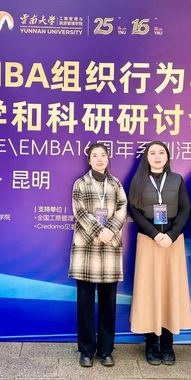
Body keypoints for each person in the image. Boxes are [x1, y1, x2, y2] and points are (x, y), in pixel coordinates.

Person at [128, 141, 191, 365]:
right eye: (152, 153)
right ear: (146, 157)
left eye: (161, 152)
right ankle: (151, 344)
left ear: (167, 156)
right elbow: (135, 211)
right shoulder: (138, 181)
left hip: (173, 242)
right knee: (150, 290)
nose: (157, 156)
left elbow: (185, 209)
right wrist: (155, 234)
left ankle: (167, 344)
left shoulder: (177, 180)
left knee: (170, 290)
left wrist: (171, 235)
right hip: (149, 241)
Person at [69, 142, 127, 367]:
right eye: (95, 155)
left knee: (108, 302)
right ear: (89, 160)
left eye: (103, 155)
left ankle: (106, 350)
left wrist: (109, 230)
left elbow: (122, 208)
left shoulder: (116, 184)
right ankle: (86, 350)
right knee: (84, 302)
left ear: (108, 158)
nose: (99, 159)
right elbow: (79, 211)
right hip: (86, 249)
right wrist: (98, 230)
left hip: (110, 248)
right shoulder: (80, 183)